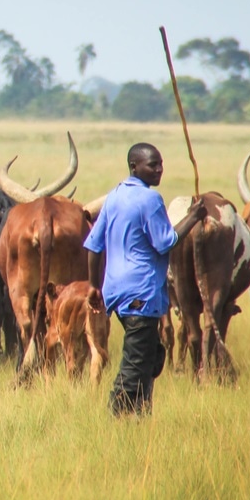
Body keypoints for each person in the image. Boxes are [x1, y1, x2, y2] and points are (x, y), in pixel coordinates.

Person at [83, 143, 206, 417]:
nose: (159, 169)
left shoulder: (114, 196)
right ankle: (116, 417)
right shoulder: (151, 200)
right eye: (153, 165)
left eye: (161, 164)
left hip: (117, 292)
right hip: (142, 293)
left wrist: (94, 286)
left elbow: (93, 246)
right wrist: (194, 216)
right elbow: (166, 242)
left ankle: (140, 415)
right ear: (134, 167)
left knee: (151, 356)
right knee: (135, 364)